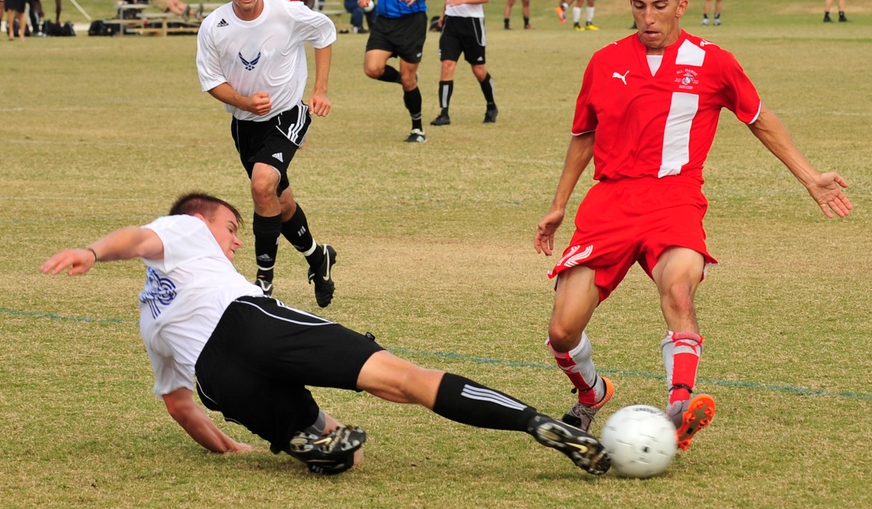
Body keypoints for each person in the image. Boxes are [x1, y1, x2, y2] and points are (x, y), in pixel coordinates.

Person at [40, 192, 611, 477]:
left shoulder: (149, 316)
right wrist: (92, 251)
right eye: (232, 229)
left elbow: (179, 404)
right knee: (402, 380)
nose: (236, 241)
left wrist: (232, 447)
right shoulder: (186, 227)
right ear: (202, 219)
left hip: (218, 380)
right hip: (249, 322)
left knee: (337, 451)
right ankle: (534, 422)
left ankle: (302, 438)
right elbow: (136, 239)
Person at [533, 0, 852, 453]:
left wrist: (810, 178)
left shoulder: (713, 62)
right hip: (610, 202)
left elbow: (761, 120)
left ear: (681, 6)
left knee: (679, 291)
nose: (649, 18)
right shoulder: (604, 61)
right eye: (639, 6)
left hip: (675, 199)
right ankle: (592, 393)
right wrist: (558, 205)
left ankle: (678, 408)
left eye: (660, 6)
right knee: (562, 330)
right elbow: (583, 136)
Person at [195, 0, 337, 307]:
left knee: (262, 186)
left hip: (288, 113)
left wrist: (319, 89)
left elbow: (324, 33)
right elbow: (211, 80)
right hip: (245, 125)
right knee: (279, 202)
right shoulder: (214, 26)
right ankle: (319, 258)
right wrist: (243, 103)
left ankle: (264, 282)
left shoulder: (285, 12)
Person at [357, 0, 442, 144]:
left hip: (411, 22)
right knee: (372, 68)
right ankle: (406, 79)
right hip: (384, 21)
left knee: (408, 79)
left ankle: (418, 129)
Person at [429, 0, 497, 127]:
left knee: (478, 69)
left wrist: (462, 0)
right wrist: (443, 15)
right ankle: (444, 113)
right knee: (447, 65)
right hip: (451, 22)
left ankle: (491, 105)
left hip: (473, 23)